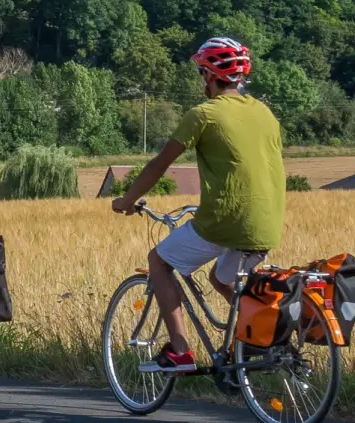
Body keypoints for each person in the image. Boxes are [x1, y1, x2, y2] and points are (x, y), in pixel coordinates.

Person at [112, 37, 286, 372]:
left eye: (201, 72)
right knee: (222, 279)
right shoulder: (264, 113)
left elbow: (158, 165)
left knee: (158, 262)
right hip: (268, 222)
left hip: (225, 220)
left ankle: (180, 350)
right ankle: (250, 343)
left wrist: (127, 200)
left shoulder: (203, 114)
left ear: (208, 75)